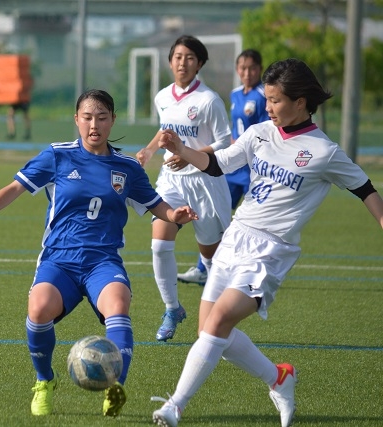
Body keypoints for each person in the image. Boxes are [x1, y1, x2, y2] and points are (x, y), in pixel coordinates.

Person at [150, 58, 383, 427]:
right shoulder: (259, 133)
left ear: (301, 102)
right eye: (267, 99)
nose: (268, 107)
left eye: (275, 100)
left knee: (219, 321)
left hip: (271, 250)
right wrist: (180, 148)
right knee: (209, 331)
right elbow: (217, 164)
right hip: (235, 238)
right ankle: (279, 378)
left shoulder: (324, 152)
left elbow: (364, 188)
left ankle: (174, 406)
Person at [0, 89, 198, 417]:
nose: (94, 125)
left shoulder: (127, 168)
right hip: (59, 260)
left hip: (102, 262)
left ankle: (115, 386)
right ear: (77, 120)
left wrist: (174, 214)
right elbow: (14, 189)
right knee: (38, 309)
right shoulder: (57, 156)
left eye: (102, 117)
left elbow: (155, 204)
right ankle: (44, 381)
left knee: (118, 304)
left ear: (112, 121)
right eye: (88, 117)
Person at [136, 35, 232, 341]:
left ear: (199, 63)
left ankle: (216, 312)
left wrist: (189, 155)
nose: (183, 62)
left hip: (205, 182)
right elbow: (165, 130)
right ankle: (172, 308)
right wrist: (149, 151)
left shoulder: (209, 100)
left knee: (211, 257)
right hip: (171, 180)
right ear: (170, 62)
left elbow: (224, 142)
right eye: (178, 57)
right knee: (159, 245)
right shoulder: (163, 96)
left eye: (190, 57)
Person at [178, 49, 270, 286]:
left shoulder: (264, 95)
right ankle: (203, 269)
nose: (247, 73)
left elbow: (266, 131)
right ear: (237, 70)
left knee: (254, 222)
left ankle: (254, 271)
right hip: (233, 167)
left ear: (259, 69)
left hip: (253, 169)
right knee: (213, 217)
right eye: (243, 68)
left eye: (252, 68)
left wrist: (247, 144)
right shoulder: (235, 94)